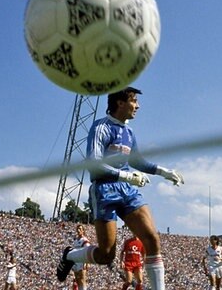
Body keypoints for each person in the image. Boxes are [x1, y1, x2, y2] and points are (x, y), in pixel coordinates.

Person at [56, 87, 184, 290]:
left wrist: (163, 171)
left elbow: (138, 162)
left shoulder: (129, 132)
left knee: (152, 239)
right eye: (134, 101)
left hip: (127, 190)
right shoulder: (101, 127)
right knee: (106, 255)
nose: (138, 106)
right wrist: (125, 175)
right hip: (104, 190)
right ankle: (70, 255)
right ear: (120, 103)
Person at [72, 224, 91, 290]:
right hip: (76, 262)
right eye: (77, 229)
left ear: (83, 230)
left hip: (82, 261)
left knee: (82, 279)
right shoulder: (75, 241)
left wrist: (87, 263)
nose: (78, 230)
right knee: (77, 280)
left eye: (80, 229)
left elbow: (88, 251)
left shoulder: (84, 240)